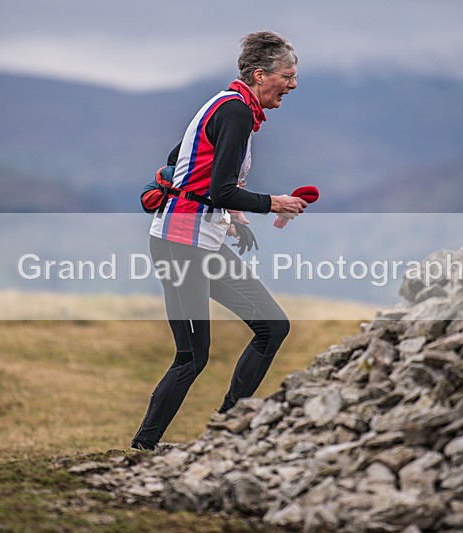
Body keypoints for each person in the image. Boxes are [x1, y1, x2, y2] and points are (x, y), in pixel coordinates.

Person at [131, 31, 307, 451]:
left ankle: (228, 429)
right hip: (180, 244)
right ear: (261, 75)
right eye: (288, 75)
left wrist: (226, 214)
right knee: (191, 357)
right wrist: (273, 203)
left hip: (199, 241)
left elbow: (181, 160)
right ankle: (143, 447)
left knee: (272, 327)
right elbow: (220, 190)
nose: (294, 84)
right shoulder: (236, 112)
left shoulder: (227, 105)